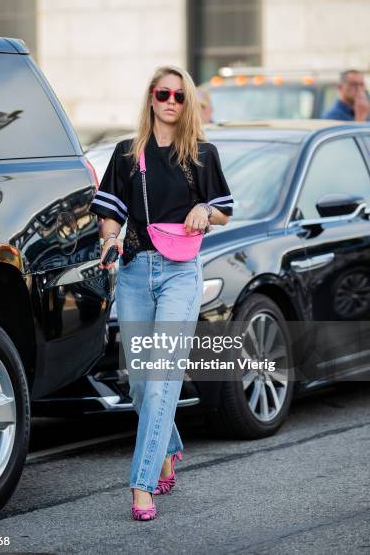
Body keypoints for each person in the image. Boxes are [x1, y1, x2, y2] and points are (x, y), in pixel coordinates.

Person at [89, 65, 233, 521]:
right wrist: (110, 239)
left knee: (165, 377)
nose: (171, 101)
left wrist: (203, 210)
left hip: (180, 274)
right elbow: (110, 210)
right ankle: (168, 448)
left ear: (186, 102)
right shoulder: (127, 154)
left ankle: (141, 484)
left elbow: (224, 211)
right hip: (135, 271)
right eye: (162, 93)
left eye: (179, 95)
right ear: (151, 97)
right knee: (140, 383)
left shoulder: (202, 155)